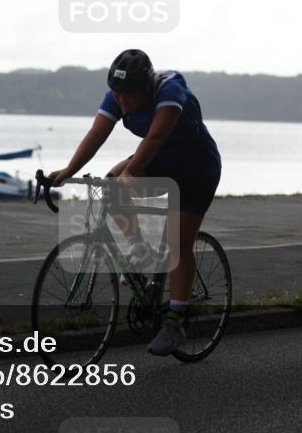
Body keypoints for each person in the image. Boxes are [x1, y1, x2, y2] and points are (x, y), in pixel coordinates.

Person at [49, 49, 222, 356]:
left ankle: (174, 322)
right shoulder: (117, 95)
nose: (120, 100)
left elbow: (154, 138)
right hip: (160, 159)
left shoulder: (170, 90)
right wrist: (68, 171)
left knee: (177, 242)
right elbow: (96, 133)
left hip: (197, 167)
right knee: (111, 186)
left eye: (127, 95)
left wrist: (131, 170)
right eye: (116, 93)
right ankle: (137, 247)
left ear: (145, 89)